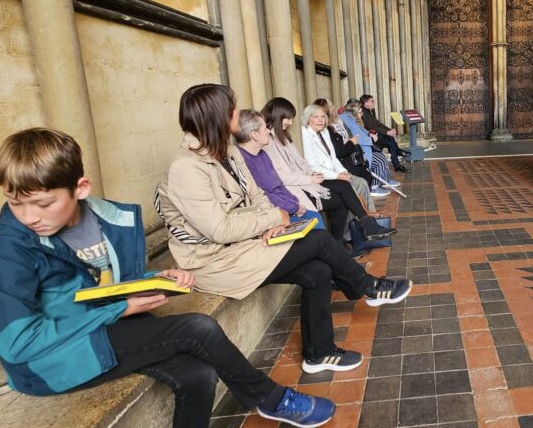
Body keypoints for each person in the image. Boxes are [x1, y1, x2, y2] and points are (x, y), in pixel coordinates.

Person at [0, 127, 337, 428]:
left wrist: (156, 278)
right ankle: (268, 398)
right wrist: (120, 306)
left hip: (104, 327)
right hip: (51, 358)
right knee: (196, 328)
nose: (29, 216)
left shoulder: (105, 218)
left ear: (80, 187)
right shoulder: (7, 249)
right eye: (14, 202)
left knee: (198, 373)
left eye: (42, 203)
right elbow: (18, 342)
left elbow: (107, 283)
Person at [155, 84, 412, 376]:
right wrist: (271, 218)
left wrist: (274, 220)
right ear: (217, 116)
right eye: (232, 109)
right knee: (317, 239)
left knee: (318, 271)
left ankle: (319, 354)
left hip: (247, 244)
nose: (238, 113)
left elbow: (257, 196)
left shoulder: (227, 152)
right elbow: (219, 229)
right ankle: (367, 286)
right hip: (215, 262)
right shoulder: (186, 168)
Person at [235, 109, 394, 244]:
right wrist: (304, 189)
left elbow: (307, 162)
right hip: (298, 187)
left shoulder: (284, 139)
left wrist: (316, 174)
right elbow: (278, 180)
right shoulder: (267, 146)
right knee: (341, 197)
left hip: (304, 182)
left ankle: (359, 230)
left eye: (323, 116)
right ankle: (348, 238)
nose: (290, 122)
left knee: (347, 185)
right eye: (287, 118)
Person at [261, 96, 381, 215]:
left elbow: (326, 158)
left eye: (323, 116)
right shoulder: (295, 136)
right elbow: (305, 166)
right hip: (305, 182)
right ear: (308, 119)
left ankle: (368, 219)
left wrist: (342, 172)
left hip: (315, 176)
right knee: (349, 188)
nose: (321, 120)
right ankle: (364, 223)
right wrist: (330, 176)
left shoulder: (322, 132)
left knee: (359, 181)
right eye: (316, 116)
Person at [341, 98, 398, 198]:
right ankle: (374, 186)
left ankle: (384, 180)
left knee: (381, 156)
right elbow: (358, 136)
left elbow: (363, 130)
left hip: (362, 147)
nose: (362, 113)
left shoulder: (352, 119)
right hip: (358, 151)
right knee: (379, 160)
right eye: (360, 111)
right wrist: (371, 140)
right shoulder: (349, 119)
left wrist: (370, 135)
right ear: (354, 111)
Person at [360, 93, 410, 172]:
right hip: (371, 137)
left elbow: (378, 123)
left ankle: (397, 159)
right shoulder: (363, 113)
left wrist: (389, 130)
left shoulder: (371, 110)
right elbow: (372, 127)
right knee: (390, 143)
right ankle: (397, 159)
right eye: (372, 101)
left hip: (376, 133)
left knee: (391, 138)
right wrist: (387, 132)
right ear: (366, 103)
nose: (374, 102)